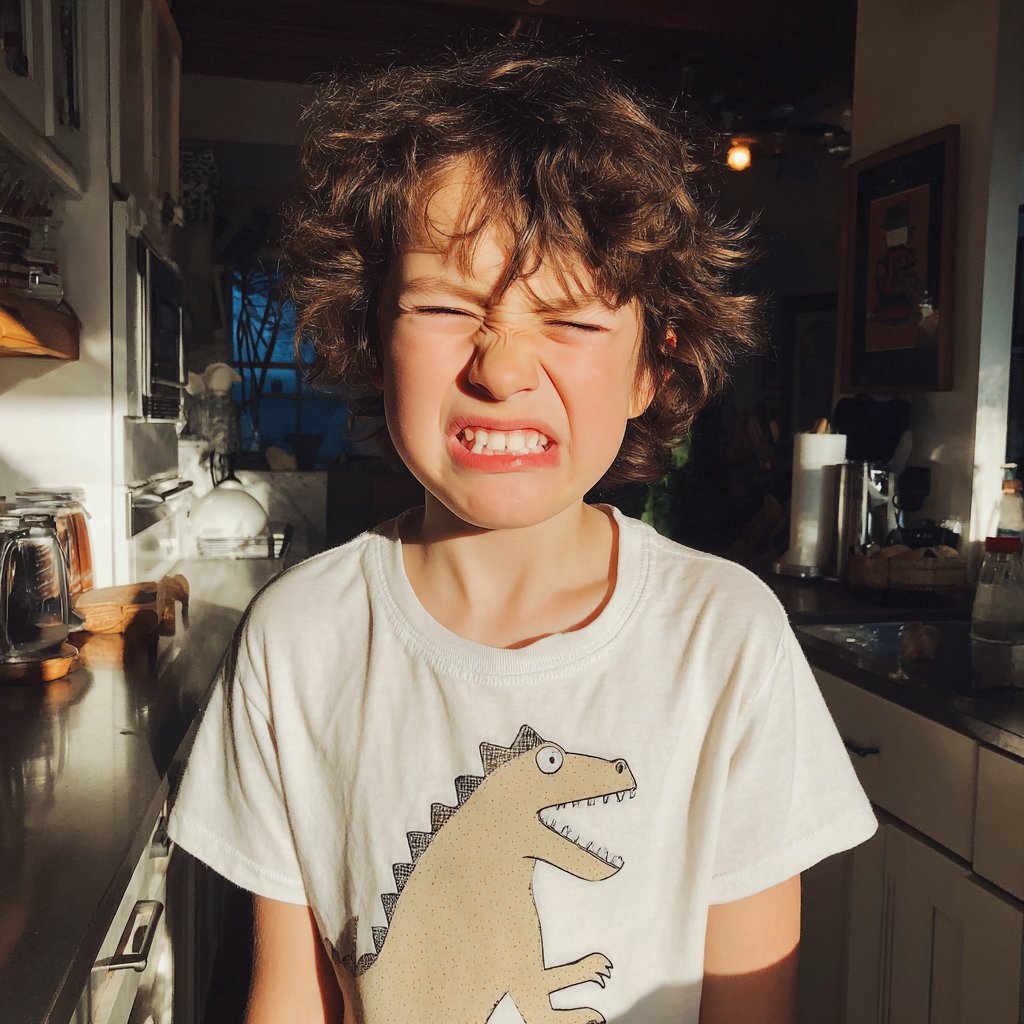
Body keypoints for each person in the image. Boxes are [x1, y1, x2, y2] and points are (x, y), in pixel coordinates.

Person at [168, 44, 877, 1024]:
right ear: (373, 337)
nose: (502, 369)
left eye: (574, 320)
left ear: (649, 365)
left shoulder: (727, 638)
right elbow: (291, 999)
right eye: (447, 305)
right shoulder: (295, 638)